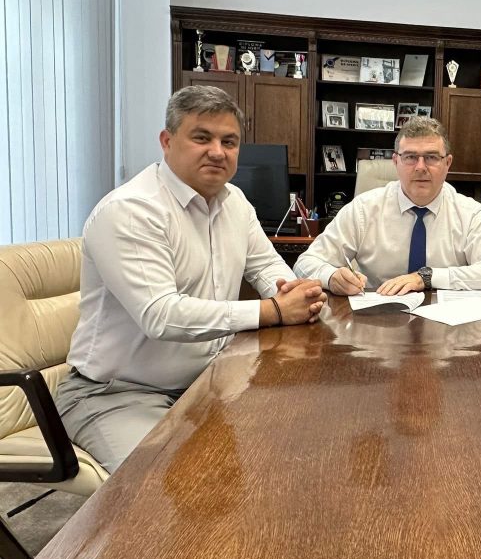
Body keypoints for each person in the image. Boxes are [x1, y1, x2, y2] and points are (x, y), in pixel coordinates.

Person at [56, 85, 327, 473]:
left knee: (288, 446)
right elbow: (161, 316)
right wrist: (274, 311)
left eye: (229, 141)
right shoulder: (132, 211)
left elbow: (266, 267)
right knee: (163, 483)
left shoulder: (234, 202)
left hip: (208, 380)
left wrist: (293, 292)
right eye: (202, 137)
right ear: (167, 142)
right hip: (117, 393)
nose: (217, 151)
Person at [295, 116, 481, 295]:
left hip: (447, 326)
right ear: (395, 162)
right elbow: (305, 263)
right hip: (378, 324)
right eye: (410, 157)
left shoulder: (470, 213)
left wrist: (427, 277)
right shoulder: (363, 209)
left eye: (431, 157)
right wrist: (331, 277)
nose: (420, 167)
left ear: (447, 163)